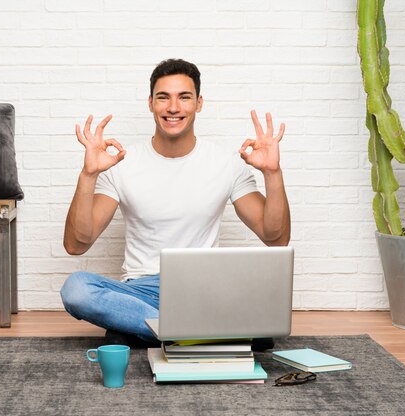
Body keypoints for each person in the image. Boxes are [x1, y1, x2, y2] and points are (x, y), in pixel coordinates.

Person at [60, 58, 290, 347]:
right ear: (150, 103)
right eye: (163, 97)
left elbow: (276, 238)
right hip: (141, 289)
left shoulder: (226, 164)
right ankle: (198, 333)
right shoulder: (121, 164)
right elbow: (76, 244)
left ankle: (148, 328)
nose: (173, 107)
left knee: (262, 296)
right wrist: (88, 175)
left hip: (204, 289)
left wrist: (272, 173)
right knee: (76, 289)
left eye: (184, 97)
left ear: (199, 103)